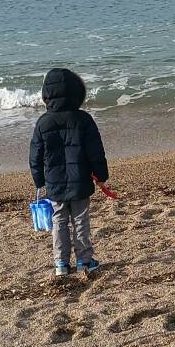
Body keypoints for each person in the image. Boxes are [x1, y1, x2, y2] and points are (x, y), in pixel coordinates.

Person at [29, 67, 110, 278]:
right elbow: (95, 152)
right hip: (80, 181)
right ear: (77, 92)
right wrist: (101, 175)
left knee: (59, 221)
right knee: (81, 220)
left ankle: (61, 263)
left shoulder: (43, 122)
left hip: (54, 183)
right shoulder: (83, 120)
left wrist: (38, 180)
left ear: (47, 94)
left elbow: (35, 155)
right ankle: (84, 260)